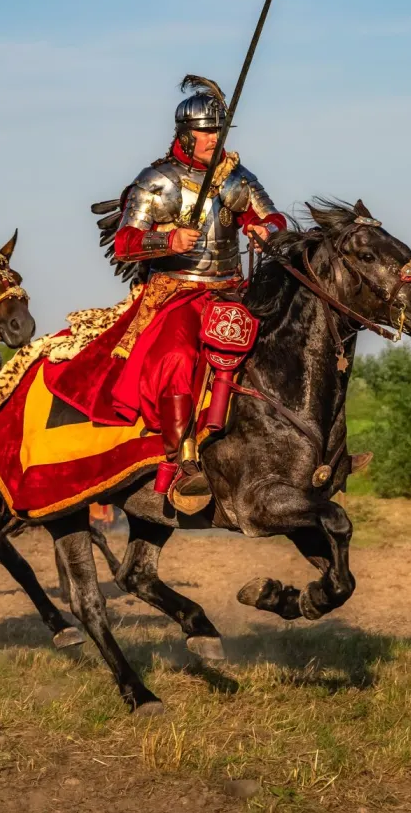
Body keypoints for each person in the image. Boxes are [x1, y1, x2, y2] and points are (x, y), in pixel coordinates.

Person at [46, 75, 285, 500]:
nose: (214, 139)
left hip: (232, 289)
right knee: (175, 357)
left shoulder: (237, 176)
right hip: (178, 292)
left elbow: (272, 218)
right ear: (186, 134)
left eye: (219, 130)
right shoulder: (158, 180)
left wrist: (266, 230)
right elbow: (124, 243)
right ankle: (181, 460)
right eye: (206, 131)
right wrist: (167, 240)